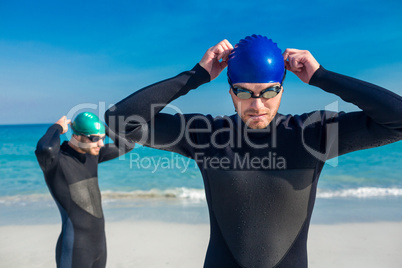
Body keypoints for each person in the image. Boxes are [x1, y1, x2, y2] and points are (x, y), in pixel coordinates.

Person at [104, 35, 402, 267]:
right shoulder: (205, 136)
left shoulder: (313, 135)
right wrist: (194, 76)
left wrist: (321, 76)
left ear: (282, 89)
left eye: (269, 91)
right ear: (231, 91)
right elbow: (119, 121)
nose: (257, 105)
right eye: (244, 92)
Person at [35, 112, 134, 268]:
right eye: (95, 139)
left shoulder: (92, 154)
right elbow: (45, 148)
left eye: (102, 139)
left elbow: (127, 144)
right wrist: (56, 128)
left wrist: (102, 129)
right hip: (75, 247)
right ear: (76, 136)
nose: (100, 144)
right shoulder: (55, 162)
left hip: (99, 246)